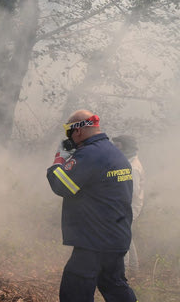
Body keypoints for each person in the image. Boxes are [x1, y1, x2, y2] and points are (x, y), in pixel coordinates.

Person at [46, 109, 137, 302]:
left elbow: (61, 185)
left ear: (77, 131)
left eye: (68, 132)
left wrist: (59, 160)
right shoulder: (116, 154)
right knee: (114, 285)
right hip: (116, 237)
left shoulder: (90, 154)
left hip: (94, 241)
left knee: (74, 292)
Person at [112, 135, 145, 274]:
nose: (115, 148)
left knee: (121, 237)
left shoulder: (132, 167)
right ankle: (133, 269)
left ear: (126, 147)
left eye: (118, 145)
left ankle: (123, 271)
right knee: (126, 235)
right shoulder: (128, 161)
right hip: (126, 206)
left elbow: (132, 192)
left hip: (128, 207)